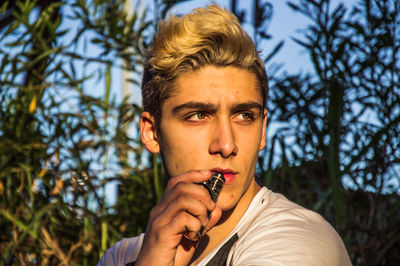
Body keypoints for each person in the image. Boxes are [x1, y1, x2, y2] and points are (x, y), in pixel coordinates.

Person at [98, 4, 351, 266]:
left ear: (262, 130)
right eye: (198, 116)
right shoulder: (123, 256)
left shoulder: (298, 241)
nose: (227, 145)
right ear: (152, 132)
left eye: (244, 116)